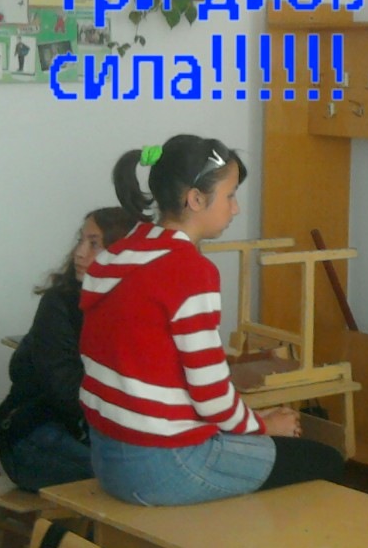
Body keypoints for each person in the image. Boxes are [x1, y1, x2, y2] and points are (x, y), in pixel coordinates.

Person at [79, 134, 344, 506]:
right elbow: (210, 396)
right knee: (326, 460)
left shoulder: (117, 254)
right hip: (164, 465)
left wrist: (249, 422)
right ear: (196, 199)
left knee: (261, 443)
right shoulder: (189, 270)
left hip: (108, 457)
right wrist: (263, 425)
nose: (235, 208)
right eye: (230, 195)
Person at [0, 207, 139, 492]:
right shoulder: (59, 303)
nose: (79, 253)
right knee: (131, 477)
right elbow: (64, 389)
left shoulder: (137, 306)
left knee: (152, 470)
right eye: (81, 240)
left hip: (93, 432)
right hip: (33, 433)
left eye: (94, 244)